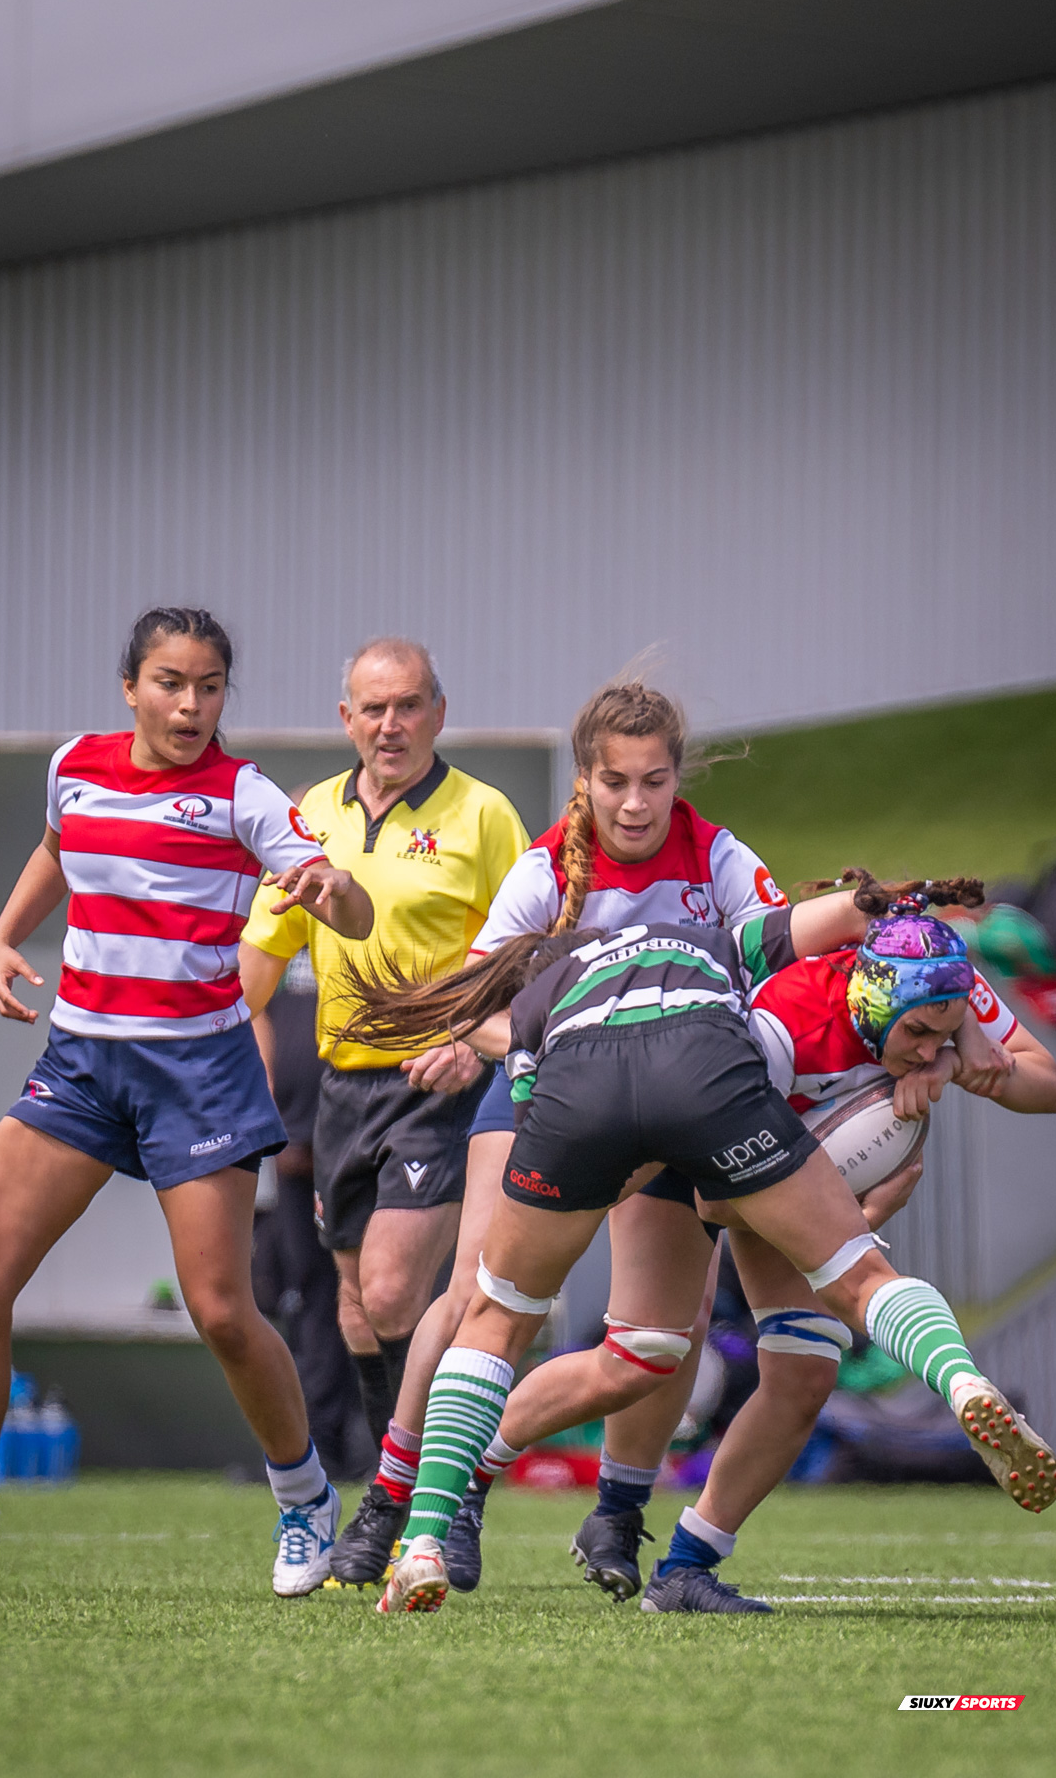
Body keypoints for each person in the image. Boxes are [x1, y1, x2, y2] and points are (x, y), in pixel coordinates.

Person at [350, 906, 1056, 1614]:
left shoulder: (942, 987)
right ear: (874, 1001)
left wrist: (957, 1065)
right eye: (919, 1034)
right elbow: (720, 1198)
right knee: (664, 1343)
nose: (933, 1042)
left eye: (948, 1029)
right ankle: (479, 1467)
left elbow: (1046, 1083)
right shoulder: (779, 1013)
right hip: (711, 1130)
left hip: (697, 1116)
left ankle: (670, 1563)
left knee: (796, 1367)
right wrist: (847, 1201)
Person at [329, 675, 877, 1588]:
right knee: (474, 1293)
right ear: (584, 779)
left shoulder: (720, 859)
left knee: (672, 1329)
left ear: (676, 778)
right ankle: (402, 1496)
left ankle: (617, 1515)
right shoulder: (547, 869)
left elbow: (778, 966)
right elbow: (476, 1011)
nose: (634, 802)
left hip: (674, 1098)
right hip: (550, 1091)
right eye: (615, 781)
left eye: (653, 781)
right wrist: (538, 1056)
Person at [0, 607, 373, 1594]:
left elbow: (343, 901)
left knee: (223, 1310)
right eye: (171, 683)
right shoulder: (77, 765)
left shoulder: (245, 797)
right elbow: (60, 847)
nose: (191, 705)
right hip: (85, 1064)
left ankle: (306, 1497)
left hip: (201, 1070)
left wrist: (330, 892)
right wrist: (11, 935)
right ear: (131, 687)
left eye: (210, 687)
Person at [239, 637, 528, 1567]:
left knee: (402, 1289)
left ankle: (440, 1501)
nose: (390, 724)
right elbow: (258, 960)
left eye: (408, 705)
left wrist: (468, 1040)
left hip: (443, 1083)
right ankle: (412, 1504)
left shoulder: (483, 816)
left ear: (438, 712)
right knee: (358, 1309)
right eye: (373, 708)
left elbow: (533, 954)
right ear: (346, 719)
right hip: (341, 1088)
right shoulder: (310, 814)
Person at [251, 938, 370, 1481]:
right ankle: (315, 1443)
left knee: (369, 1293)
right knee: (306, 1291)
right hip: (294, 1138)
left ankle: (369, 1443)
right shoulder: (277, 908)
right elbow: (253, 1006)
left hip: (364, 1132)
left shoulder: (370, 899)